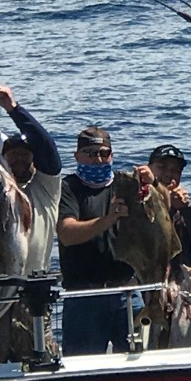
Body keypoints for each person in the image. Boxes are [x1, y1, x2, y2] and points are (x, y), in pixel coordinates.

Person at [0, 72, 63, 274]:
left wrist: (12, 108)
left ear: (34, 158)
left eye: (24, 154)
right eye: (12, 154)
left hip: (35, 287)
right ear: (3, 157)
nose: (18, 159)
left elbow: (46, 146)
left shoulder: (46, 188)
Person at [56, 126, 139, 355]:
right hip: (84, 297)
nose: (99, 159)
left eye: (104, 153)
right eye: (91, 153)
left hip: (127, 293)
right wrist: (107, 220)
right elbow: (66, 233)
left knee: (139, 361)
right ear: (77, 156)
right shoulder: (68, 187)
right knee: (82, 370)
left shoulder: (125, 185)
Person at [146, 144, 191, 271]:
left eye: (175, 170)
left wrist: (185, 208)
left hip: (179, 279)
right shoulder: (137, 201)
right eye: (162, 167)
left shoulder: (188, 204)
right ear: (149, 168)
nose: (168, 174)